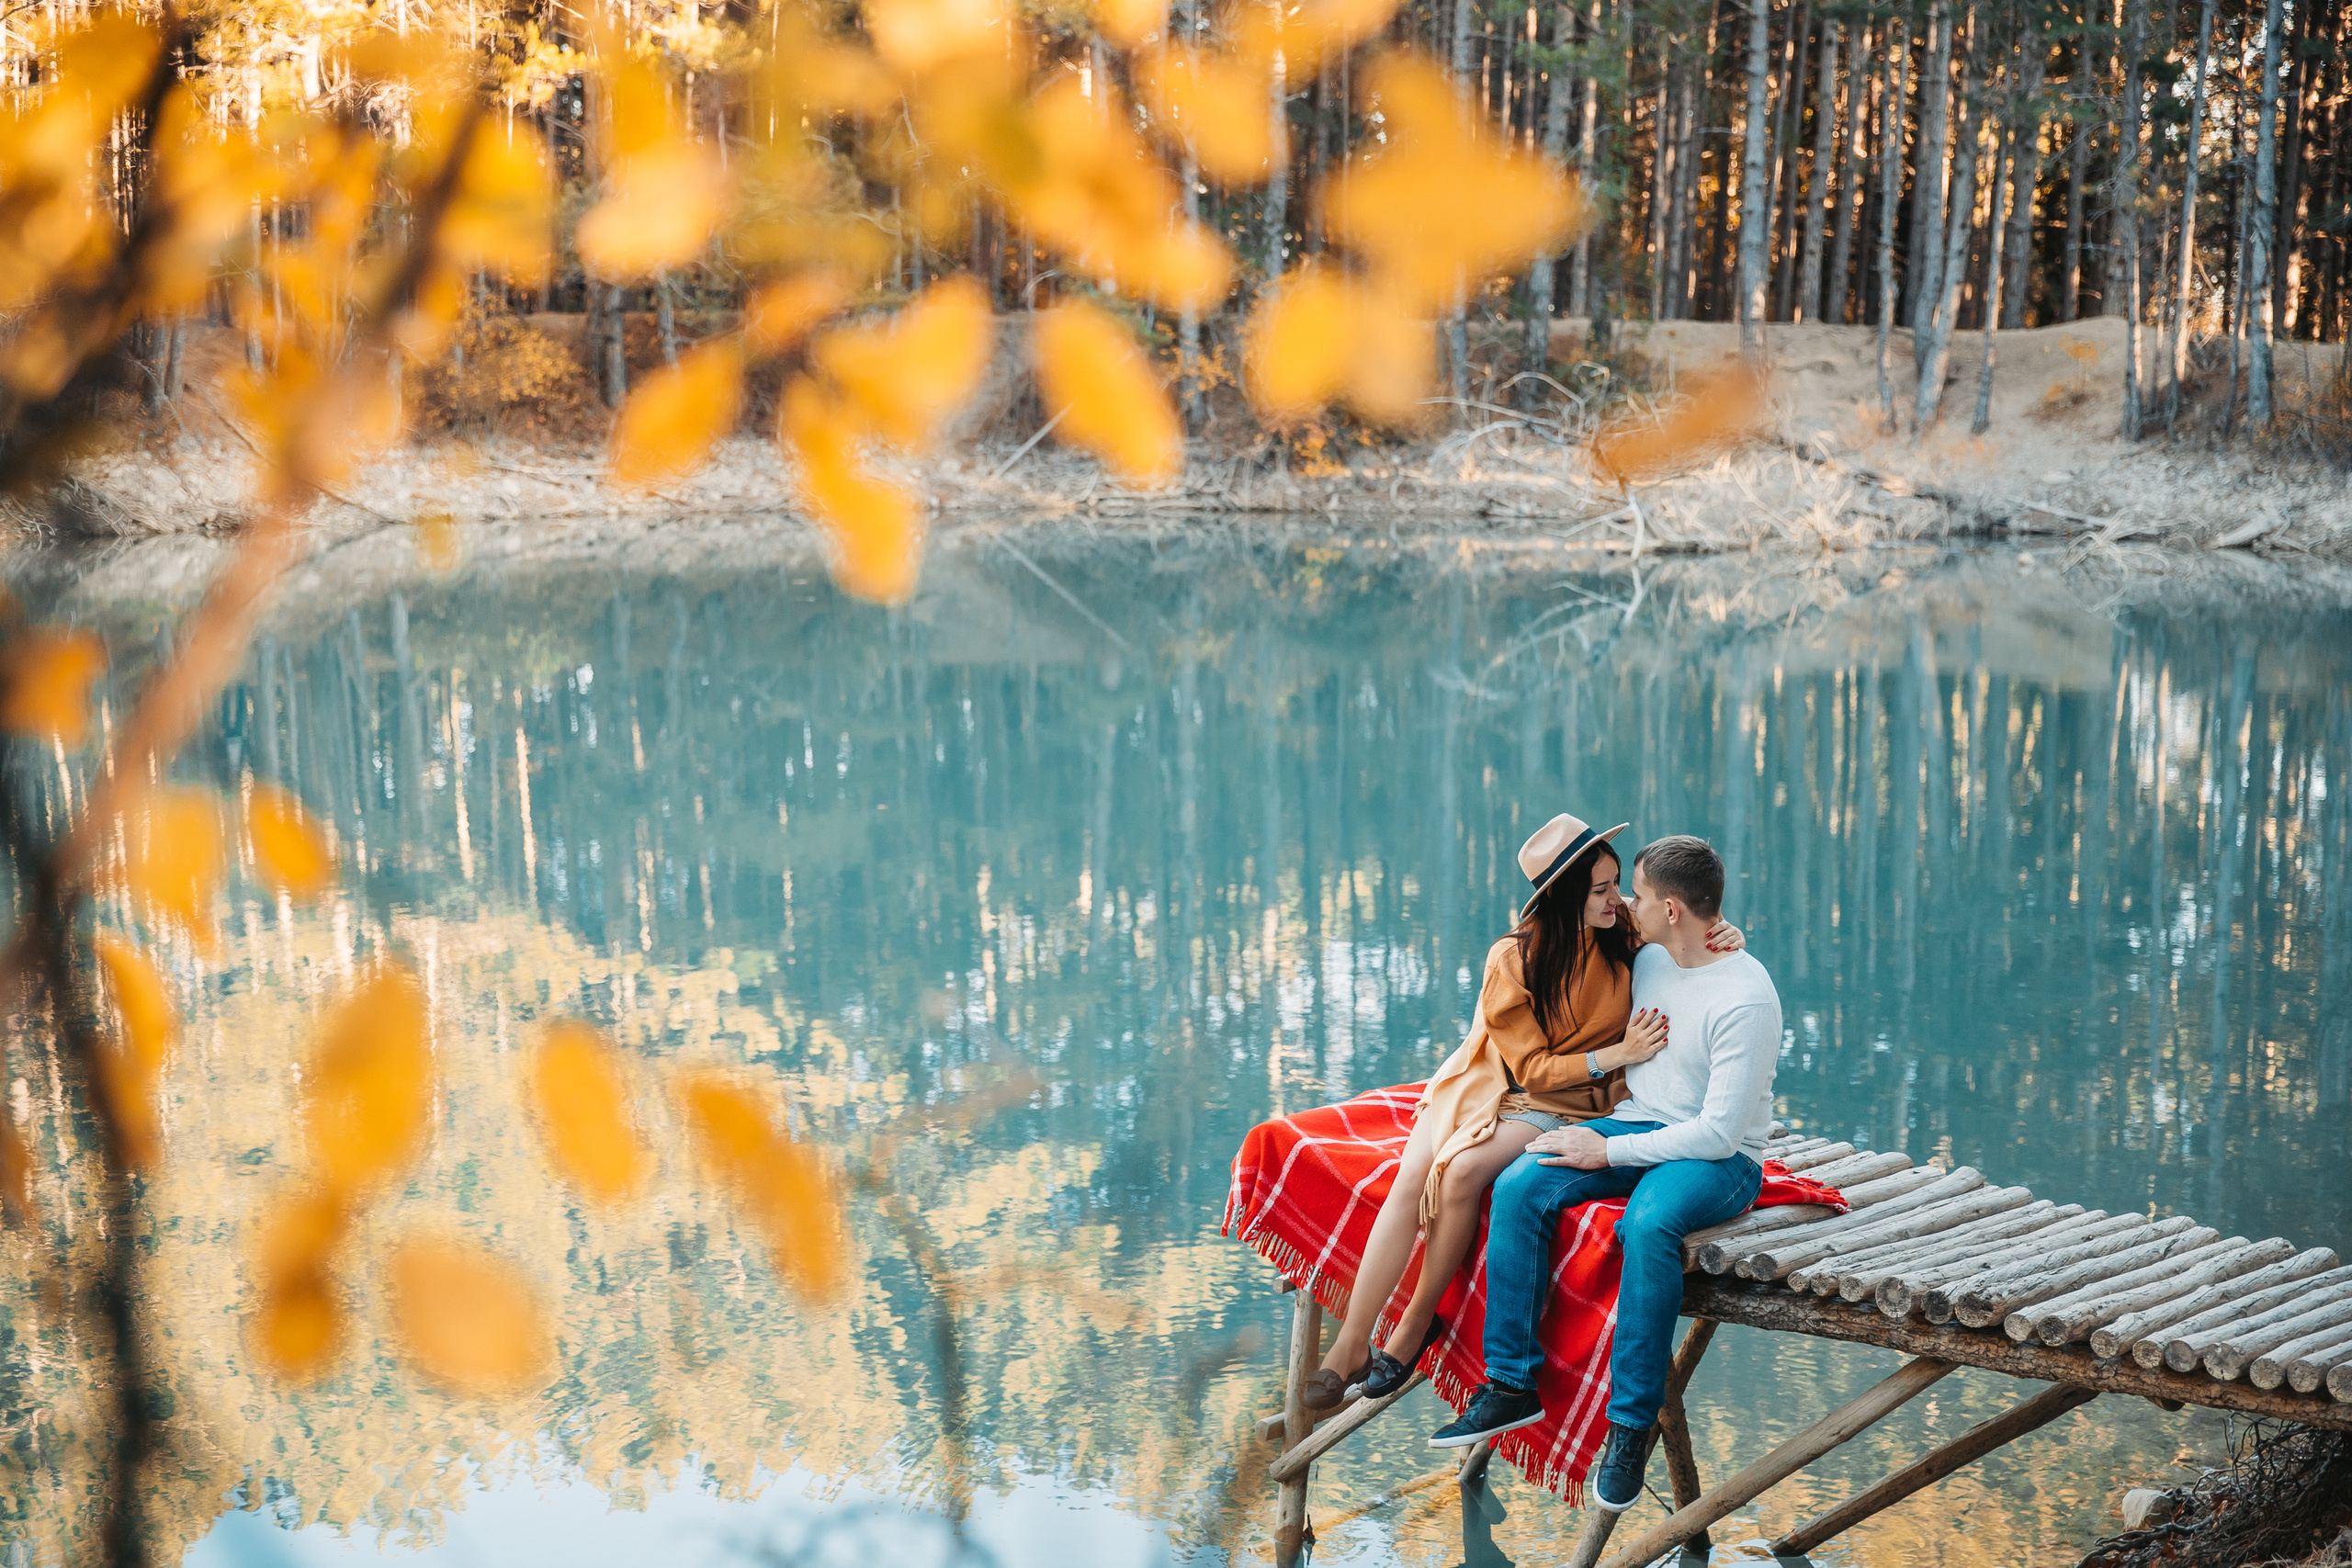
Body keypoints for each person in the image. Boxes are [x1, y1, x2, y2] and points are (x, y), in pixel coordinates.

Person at [1300, 814, 1743, 1412]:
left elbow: (1685, 925)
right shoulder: (1513, 957)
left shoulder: (1623, 936)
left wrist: (1725, 930)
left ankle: (1411, 1328)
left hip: (1561, 1101)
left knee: (1458, 1175)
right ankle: (1350, 1342)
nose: (1619, 899)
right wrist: (1618, 1051)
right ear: (1562, 896)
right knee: (1414, 1176)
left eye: (1618, 884)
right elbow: (1527, 1067)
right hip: (1490, 1074)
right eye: (1601, 889)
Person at [1427, 834, 1781, 1520]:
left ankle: (1629, 1427)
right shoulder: (1647, 955)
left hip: (1720, 1159)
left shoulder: (1746, 995)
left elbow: (1717, 1133)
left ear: (1672, 909)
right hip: (1641, 1120)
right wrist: (1605, 1138)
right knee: (1522, 1185)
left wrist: (1605, 1153)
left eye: (1638, 895)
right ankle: (1509, 1380)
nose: (1623, 903)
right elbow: (1556, 935)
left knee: (1647, 1222)